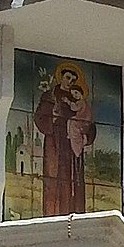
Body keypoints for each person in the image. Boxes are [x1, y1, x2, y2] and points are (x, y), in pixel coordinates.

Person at [34, 60, 97, 216]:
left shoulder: (77, 100)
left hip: (71, 144)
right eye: (68, 78)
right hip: (54, 142)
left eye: (73, 80)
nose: (70, 82)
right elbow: (39, 118)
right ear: (60, 77)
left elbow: (89, 124)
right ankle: (52, 215)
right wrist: (53, 118)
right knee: (54, 178)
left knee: (73, 182)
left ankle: (75, 216)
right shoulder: (50, 96)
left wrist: (84, 136)